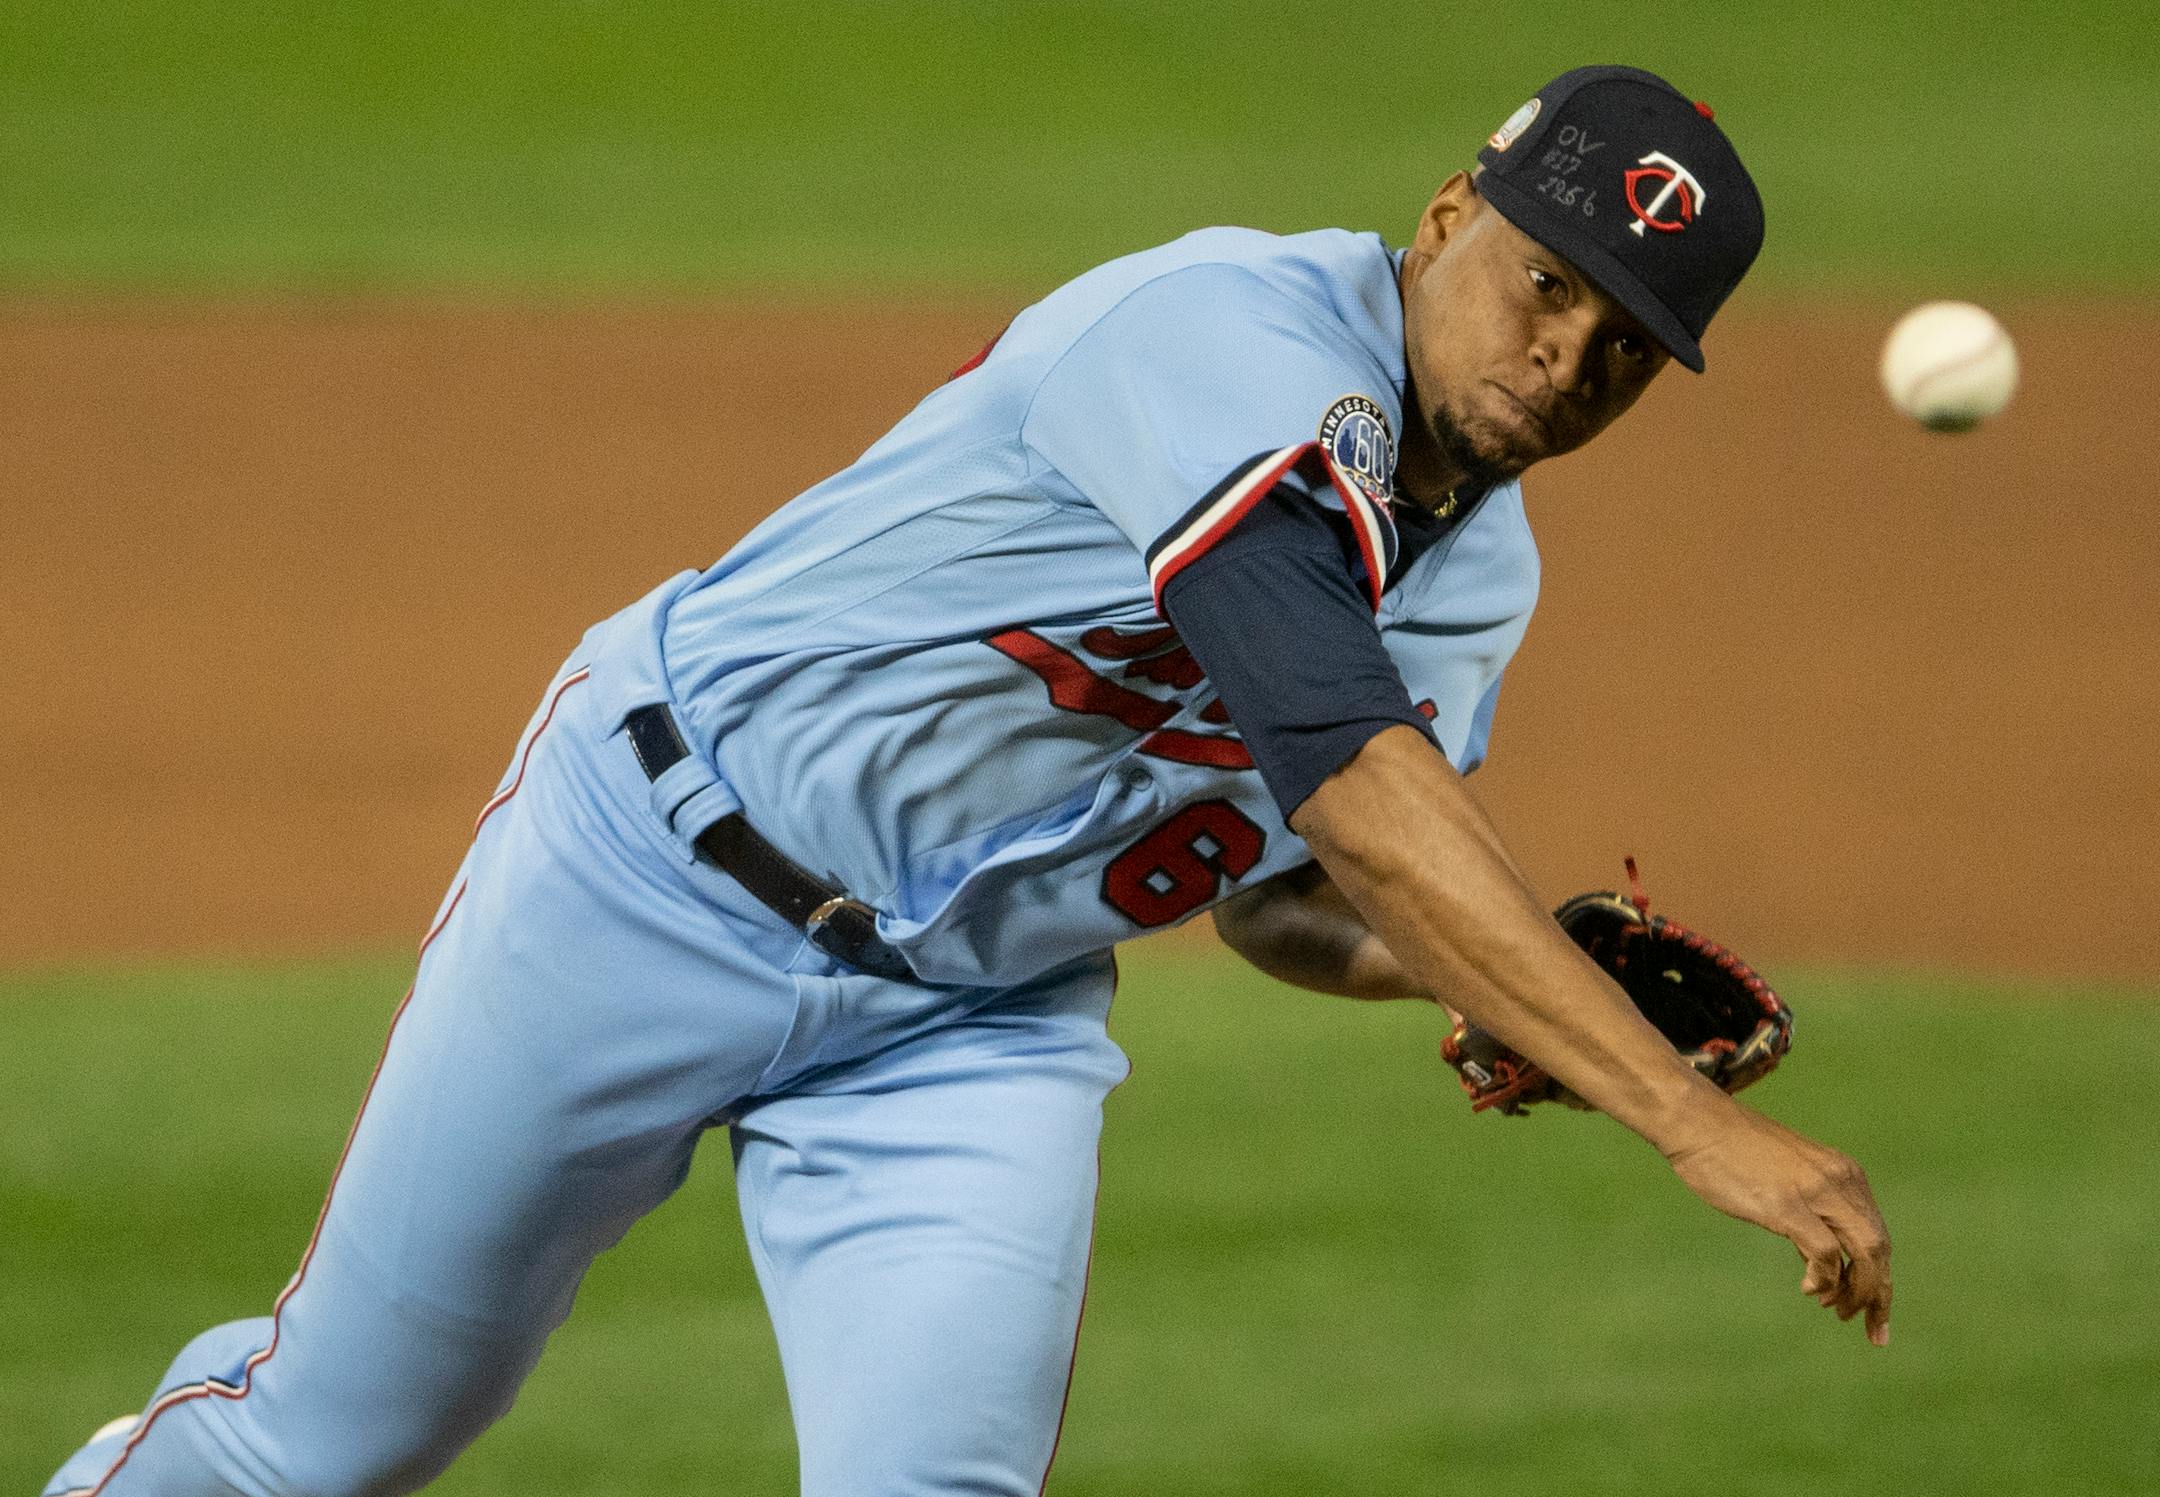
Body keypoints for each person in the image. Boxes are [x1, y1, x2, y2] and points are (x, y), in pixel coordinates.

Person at [48, 63, 1890, 1497]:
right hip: (649, 867)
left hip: (961, 1025)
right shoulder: (1228, 339)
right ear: (1443, 218)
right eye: (1546, 285)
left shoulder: (1480, 582)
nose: (1562, 359)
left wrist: (1496, 970)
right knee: (336, 1435)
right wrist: (1675, 1110)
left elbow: (1273, 887)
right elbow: (1343, 765)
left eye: (1623, 349)